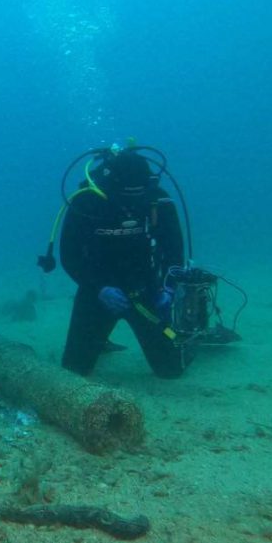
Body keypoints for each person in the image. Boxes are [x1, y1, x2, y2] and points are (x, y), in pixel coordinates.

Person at [42, 146, 192, 378]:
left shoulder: (158, 201)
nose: (133, 201)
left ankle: (191, 339)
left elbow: (174, 251)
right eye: (127, 193)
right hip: (96, 291)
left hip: (147, 290)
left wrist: (168, 288)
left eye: (140, 193)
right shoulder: (86, 202)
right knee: (74, 369)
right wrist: (99, 288)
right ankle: (98, 340)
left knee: (171, 369)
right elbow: (70, 256)